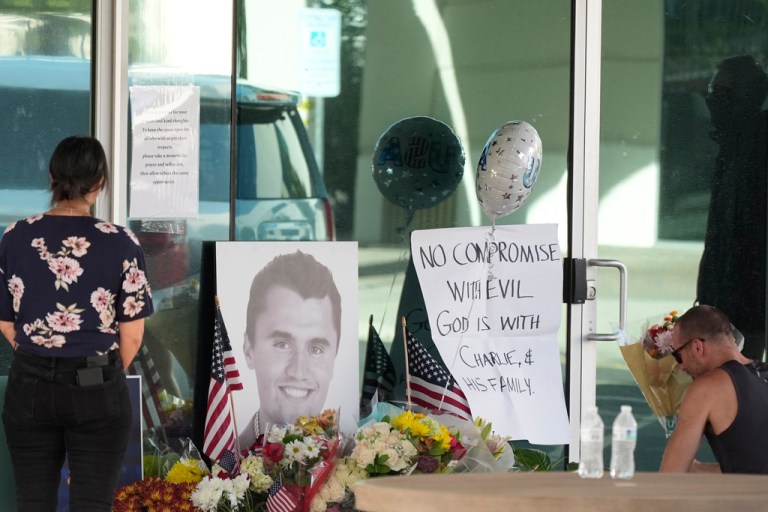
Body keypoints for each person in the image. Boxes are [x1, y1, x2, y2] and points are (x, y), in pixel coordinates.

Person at [0, 135, 154, 511]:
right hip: (97, 384)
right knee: (92, 503)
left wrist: (41, 357)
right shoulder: (122, 242)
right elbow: (131, 336)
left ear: (52, 176)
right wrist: (98, 376)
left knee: (33, 501)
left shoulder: (15, 237)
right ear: (100, 183)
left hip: (29, 385)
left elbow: (6, 322)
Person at [696, 55, 768, 361]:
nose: (713, 100)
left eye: (722, 93)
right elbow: (720, 231)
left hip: (751, 291)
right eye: (712, 92)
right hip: (730, 292)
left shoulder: (754, 144)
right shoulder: (732, 144)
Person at [238, 250, 341, 448]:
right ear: (249, 349)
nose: (298, 371)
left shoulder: (355, 460)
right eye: (282, 344)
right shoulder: (221, 463)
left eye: (316, 348)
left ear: (334, 357)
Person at [659, 305, 768, 474]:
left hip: (751, 500)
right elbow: (754, 467)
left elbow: (670, 475)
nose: (681, 367)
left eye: (678, 356)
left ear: (697, 347)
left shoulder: (707, 388)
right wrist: (699, 469)